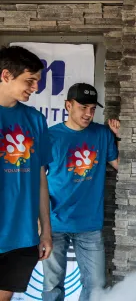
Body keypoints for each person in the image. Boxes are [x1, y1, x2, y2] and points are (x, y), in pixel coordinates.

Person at [42, 83, 120, 301]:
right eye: (83, 107)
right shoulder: (50, 136)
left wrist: (122, 136)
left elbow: (120, 165)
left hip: (89, 225)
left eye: (93, 109)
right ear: (68, 105)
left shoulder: (102, 134)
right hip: (54, 222)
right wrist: (40, 222)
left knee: (96, 286)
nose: (88, 113)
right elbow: (35, 180)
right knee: (52, 284)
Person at [0, 46, 53, 301]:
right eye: (29, 81)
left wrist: (45, 230)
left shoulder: (35, 120)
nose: (35, 88)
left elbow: (41, 179)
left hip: (22, 237)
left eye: (37, 82)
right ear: (6, 75)